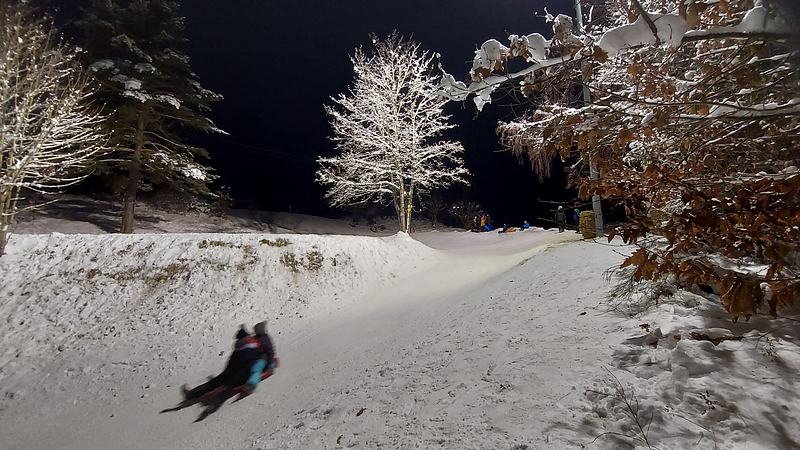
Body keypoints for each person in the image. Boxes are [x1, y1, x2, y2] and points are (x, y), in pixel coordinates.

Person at [182, 325, 261, 401]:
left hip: (239, 376)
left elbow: (241, 365)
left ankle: (192, 394)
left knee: (214, 383)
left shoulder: (245, 349)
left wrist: (229, 373)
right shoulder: (248, 347)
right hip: (237, 374)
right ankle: (194, 393)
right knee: (216, 381)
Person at [242, 320, 277, 394]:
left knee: (256, 369)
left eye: (256, 330)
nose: (255, 331)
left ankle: (251, 384)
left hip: (262, 359)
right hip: (254, 358)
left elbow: (271, 351)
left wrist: (270, 363)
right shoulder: (255, 338)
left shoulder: (265, 339)